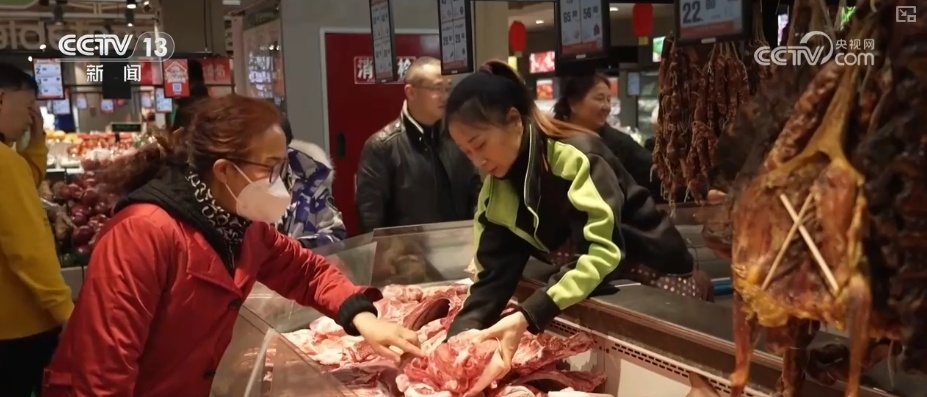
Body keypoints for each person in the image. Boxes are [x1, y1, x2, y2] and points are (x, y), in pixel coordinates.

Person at [42, 95, 423, 397]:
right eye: (270, 168)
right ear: (224, 170)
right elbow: (105, 371)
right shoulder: (142, 233)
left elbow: (305, 272)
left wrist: (362, 317)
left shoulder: (241, 225)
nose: (282, 182)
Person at [442, 61, 713, 395]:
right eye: (467, 152)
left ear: (514, 120)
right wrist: (454, 347)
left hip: (661, 289)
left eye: (480, 145)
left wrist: (529, 314)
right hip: (606, 295)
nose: (477, 161)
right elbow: (493, 278)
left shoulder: (576, 155)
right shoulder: (495, 192)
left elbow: (601, 252)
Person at [0, 63, 73, 397]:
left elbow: (24, 181)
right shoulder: (3, 162)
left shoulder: (8, 162)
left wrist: (37, 140)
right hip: (18, 328)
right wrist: (67, 313)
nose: (32, 117)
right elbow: (27, 250)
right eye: (28, 107)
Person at [356, 56, 481, 233]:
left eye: (448, 88)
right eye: (437, 88)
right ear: (411, 92)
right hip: (406, 255)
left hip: (459, 249)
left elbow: (476, 194)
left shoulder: (457, 137)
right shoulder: (382, 145)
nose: (445, 96)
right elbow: (370, 219)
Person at [552, 74, 665, 199]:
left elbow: (657, 173)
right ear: (573, 103)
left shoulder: (619, 144)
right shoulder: (550, 139)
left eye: (608, 100)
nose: (607, 107)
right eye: (599, 99)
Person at [278, 116, 347, 247]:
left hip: (303, 265)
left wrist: (298, 248)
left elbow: (336, 236)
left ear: (287, 147)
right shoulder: (242, 183)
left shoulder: (312, 181)